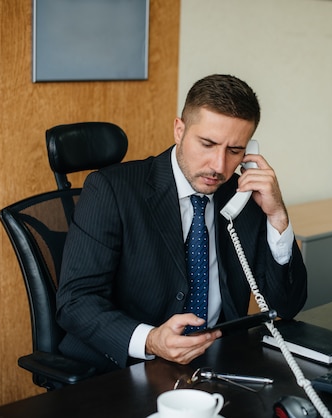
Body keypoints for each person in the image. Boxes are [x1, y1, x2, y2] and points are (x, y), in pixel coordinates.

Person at [56, 74, 308, 371]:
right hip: (130, 366)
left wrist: (277, 216)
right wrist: (150, 340)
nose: (218, 165)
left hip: (218, 363)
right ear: (179, 130)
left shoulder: (243, 197)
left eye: (234, 150)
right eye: (207, 144)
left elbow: (287, 306)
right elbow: (75, 301)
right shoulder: (112, 190)